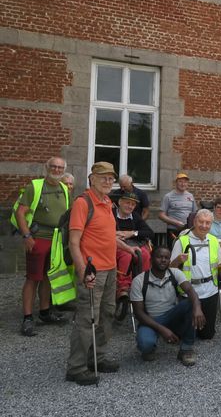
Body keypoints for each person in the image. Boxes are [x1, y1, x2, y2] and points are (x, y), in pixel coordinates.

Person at [66, 162, 119, 386]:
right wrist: (83, 271)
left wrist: (129, 249)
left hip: (110, 268)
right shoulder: (83, 202)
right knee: (87, 318)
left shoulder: (107, 202)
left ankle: (98, 356)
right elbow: (73, 243)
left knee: (107, 314)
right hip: (93, 271)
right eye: (103, 177)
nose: (108, 181)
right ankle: (76, 368)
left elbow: (108, 236)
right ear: (92, 179)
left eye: (111, 178)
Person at [14, 157, 70, 336]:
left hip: (56, 239)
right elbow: (20, 212)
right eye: (53, 166)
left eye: (60, 167)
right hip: (38, 238)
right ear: (47, 167)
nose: (56, 169)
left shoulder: (64, 188)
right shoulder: (35, 186)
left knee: (48, 276)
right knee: (33, 278)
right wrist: (27, 235)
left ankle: (45, 312)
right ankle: (27, 319)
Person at [131, 247, 206, 366]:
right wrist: (162, 329)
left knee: (190, 303)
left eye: (166, 258)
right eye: (159, 257)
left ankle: (186, 349)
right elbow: (138, 313)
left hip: (172, 315)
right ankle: (150, 345)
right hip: (151, 319)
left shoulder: (175, 273)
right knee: (145, 345)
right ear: (151, 259)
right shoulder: (139, 281)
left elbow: (191, 291)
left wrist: (197, 308)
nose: (163, 260)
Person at [170, 209, 221, 340]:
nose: (204, 226)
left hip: (210, 291)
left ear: (211, 224)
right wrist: (177, 261)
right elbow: (169, 269)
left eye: (208, 223)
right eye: (201, 222)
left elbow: (219, 272)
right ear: (194, 221)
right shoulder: (182, 241)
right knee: (186, 334)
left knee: (207, 335)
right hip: (189, 292)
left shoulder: (214, 241)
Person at [114, 192, 154, 301]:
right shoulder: (111, 214)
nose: (130, 206)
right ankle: (123, 286)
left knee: (145, 253)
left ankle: (143, 283)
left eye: (133, 204)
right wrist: (114, 233)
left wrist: (132, 233)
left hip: (135, 244)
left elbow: (150, 233)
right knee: (126, 254)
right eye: (127, 203)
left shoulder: (135, 216)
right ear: (120, 202)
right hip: (117, 245)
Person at [159, 173, 197, 248]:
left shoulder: (190, 196)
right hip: (174, 230)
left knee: (187, 252)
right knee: (174, 251)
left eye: (185, 182)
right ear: (176, 183)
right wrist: (175, 223)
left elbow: (195, 213)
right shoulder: (168, 196)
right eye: (180, 181)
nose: (183, 184)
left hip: (188, 230)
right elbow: (161, 215)